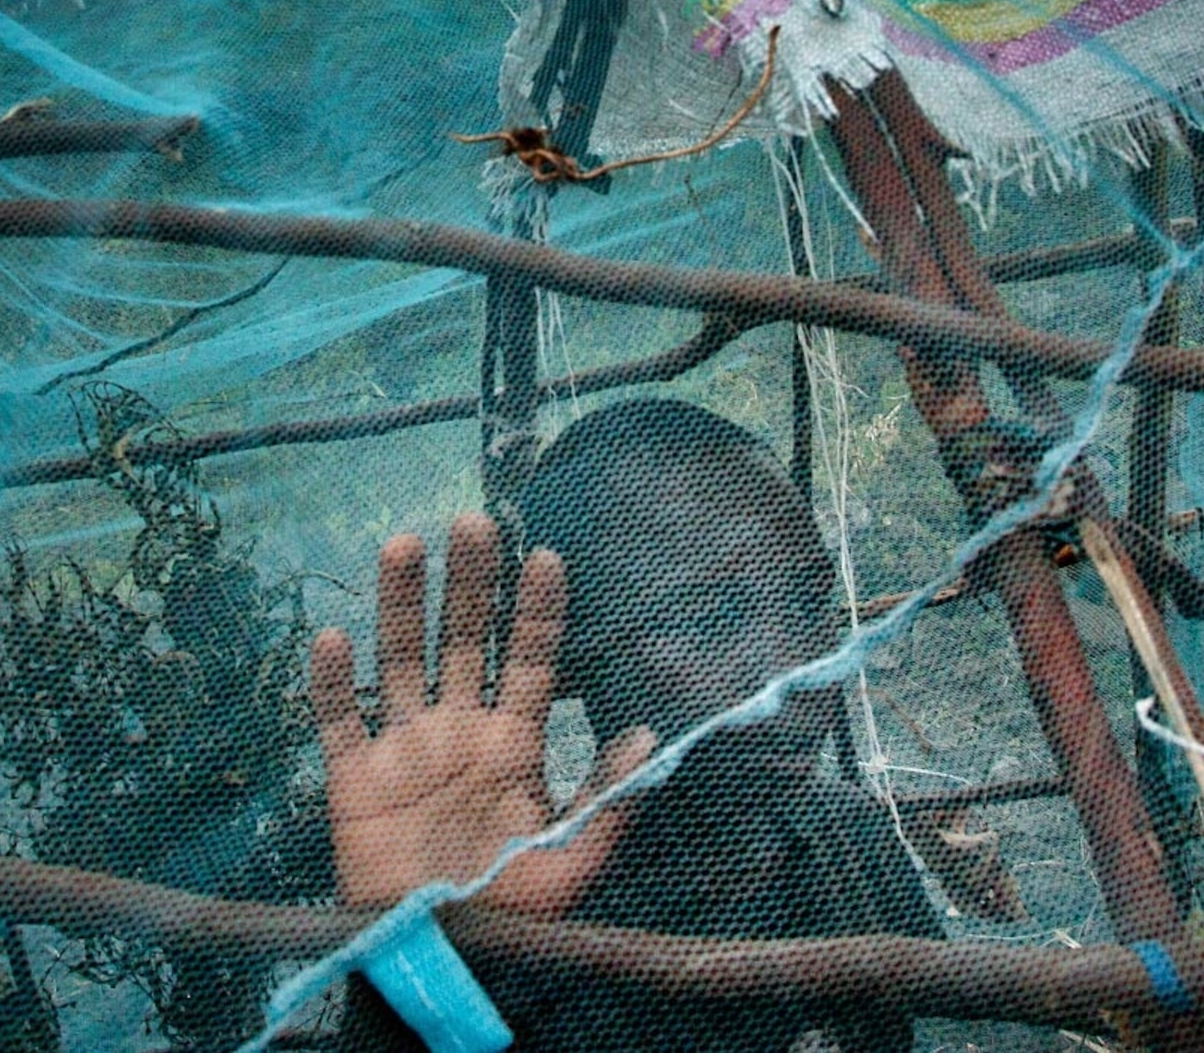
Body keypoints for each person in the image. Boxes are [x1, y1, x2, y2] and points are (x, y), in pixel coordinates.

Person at [309, 399, 939, 1051]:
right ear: (574, 655)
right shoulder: (520, 918)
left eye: (812, 601)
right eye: (708, 621)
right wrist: (428, 968)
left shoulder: (851, 838)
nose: (800, 668)